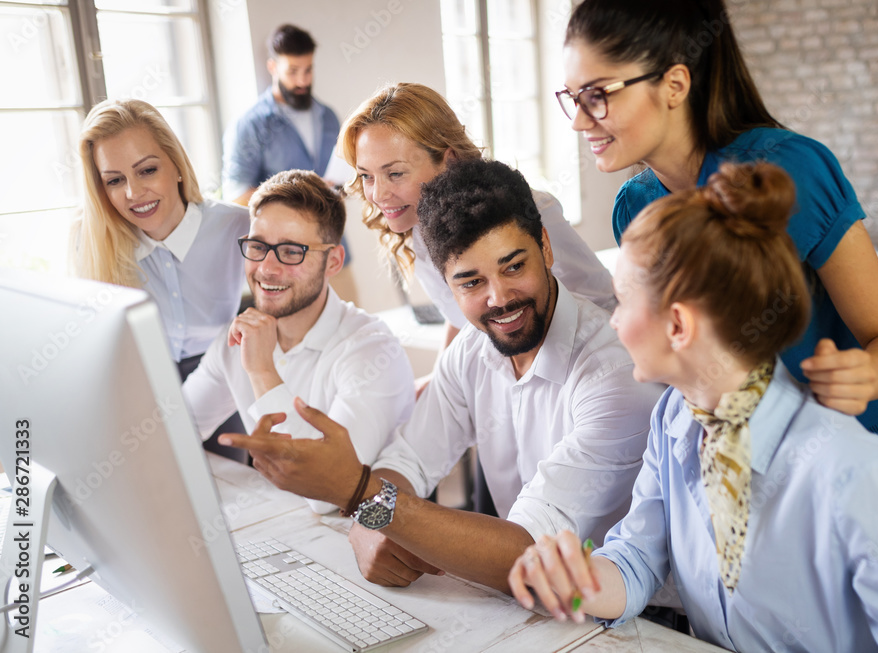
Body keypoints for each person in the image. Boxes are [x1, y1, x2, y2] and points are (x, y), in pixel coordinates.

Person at [507, 162, 878, 652]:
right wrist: (579, 579)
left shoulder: (844, 466)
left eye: (623, 302)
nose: (614, 322)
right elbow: (638, 558)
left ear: (679, 326)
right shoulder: (675, 418)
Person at [558, 0, 878, 512]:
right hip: (759, 459)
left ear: (674, 84)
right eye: (572, 98)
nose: (580, 122)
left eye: (598, 96)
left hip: (874, 448)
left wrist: (862, 376)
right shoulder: (635, 208)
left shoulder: (791, 170)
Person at [219, 159, 662, 592]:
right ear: (447, 285)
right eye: (470, 282)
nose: (499, 299)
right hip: (528, 607)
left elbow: (528, 550)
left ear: (545, 247)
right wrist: (369, 527)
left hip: (634, 623)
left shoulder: (614, 373)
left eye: (513, 267)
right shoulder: (472, 351)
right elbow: (407, 461)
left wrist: (360, 496)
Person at [183, 170, 414, 514]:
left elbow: (324, 494)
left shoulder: (373, 352)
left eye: (291, 251)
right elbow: (173, 435)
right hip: (280, 528)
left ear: (332, 261)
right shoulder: (237, 338)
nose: (266, 269)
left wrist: (261, 370)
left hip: (358, 540)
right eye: (258, 247)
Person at [338, 82, 616, 352]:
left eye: (395, 173)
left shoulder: (527, 214)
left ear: (450, 160)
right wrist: (439, 385)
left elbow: (601, 303)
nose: (378, 194)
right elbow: (460, 319)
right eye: (366, 176)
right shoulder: (419, 230)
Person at [74, 98, 247, 373]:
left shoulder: (238, 226)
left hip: (223, 371)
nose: (134, 193)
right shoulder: (92, 240)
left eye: (147, 170)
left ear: (176, 166)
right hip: (139, 376)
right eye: (115, 180)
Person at [222, 24, 355, 298]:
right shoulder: (250, 126)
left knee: (354, 334)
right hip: (284, 262)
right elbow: (235, 198)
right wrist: (302, 191)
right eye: (293, 71)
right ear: (273, 67)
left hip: (334, 253)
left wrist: (343, 186)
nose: (303, 80)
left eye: (308, 70)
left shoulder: (329, 117)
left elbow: (341, 182)